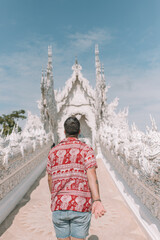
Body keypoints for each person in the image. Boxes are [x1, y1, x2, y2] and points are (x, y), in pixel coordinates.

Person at [47, 116, 106, 240]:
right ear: (79, 131)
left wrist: (55, 197)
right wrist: (97, 200)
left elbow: (50, 178)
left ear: (64, 132)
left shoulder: (53, 152)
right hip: (80, 204)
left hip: (59, 204)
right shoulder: (86, 150)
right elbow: (92, 175)